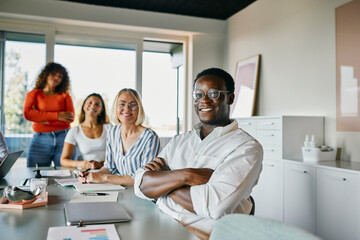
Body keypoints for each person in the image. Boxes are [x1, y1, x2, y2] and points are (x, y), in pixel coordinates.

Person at [134, 68, 263, 239]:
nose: (205, 100)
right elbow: (140, 184)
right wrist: (187, 175)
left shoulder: (246, 147)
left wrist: (164, 181)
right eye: (198, 94)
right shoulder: (179, 141)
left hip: (200, 235)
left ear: (230, 98)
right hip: (160, 222)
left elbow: (213, 206)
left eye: (214, 93)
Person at [79, 88, 160, 186]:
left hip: (141, 193)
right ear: (115, 108)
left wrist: (104, 178)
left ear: (139, 109)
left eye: (133, 105)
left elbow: (144, 178)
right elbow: (109, 167)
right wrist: (92, 175)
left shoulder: (150, 137)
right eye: (122, 104)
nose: (127, 109)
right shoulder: (112, 132)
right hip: (117, 190)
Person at [23, 62, 75, 167]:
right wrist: (57, 116)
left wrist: (42, 119)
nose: (56, 77)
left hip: (64, 138)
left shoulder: (65, 96)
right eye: (54, 74)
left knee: (67, 175)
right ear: (46, 74)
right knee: (34, 174)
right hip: (40, 140)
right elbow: (28, 114)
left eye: (60, 76)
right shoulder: (33, 94)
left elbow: (70, 118)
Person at [60, 93, 112, 170]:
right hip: (88, 172)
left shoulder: (109, 128)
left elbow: (118, 155)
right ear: (84, 106)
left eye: (97, 104)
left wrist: (101, 164)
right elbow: (63, 160)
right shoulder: (75, 131)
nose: (93, 106)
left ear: (101, 110)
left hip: (109, 170)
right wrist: (81, 163)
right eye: (90, 102)